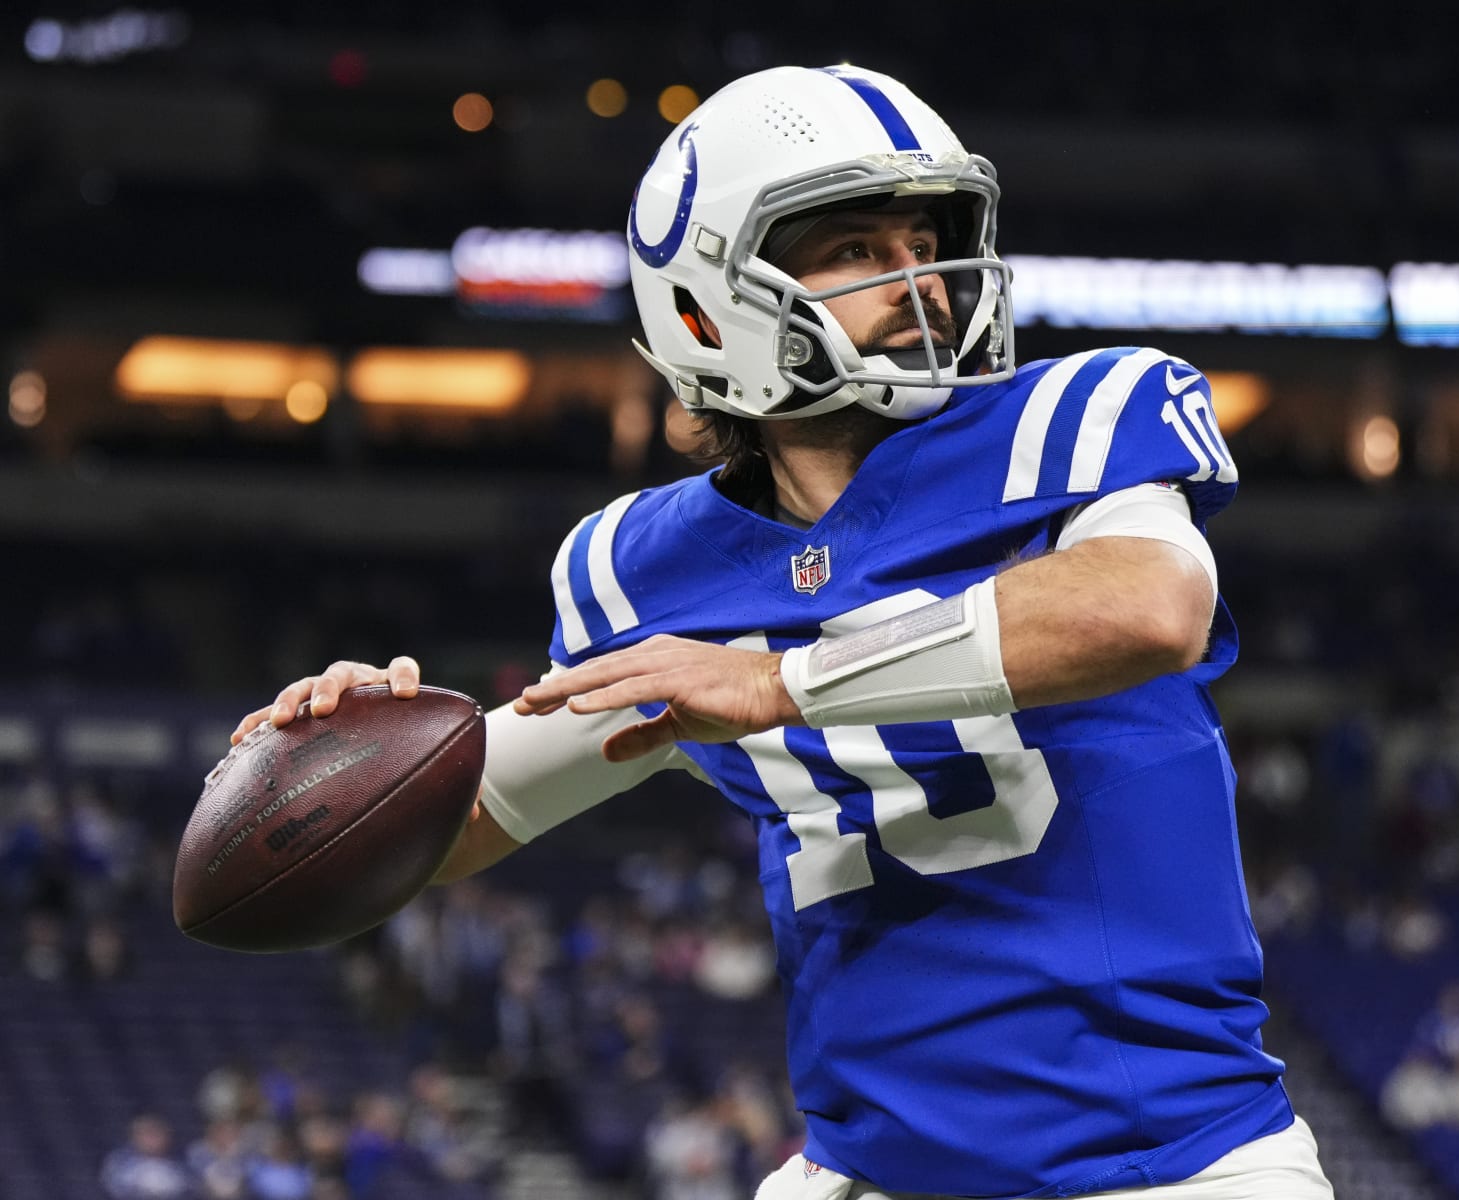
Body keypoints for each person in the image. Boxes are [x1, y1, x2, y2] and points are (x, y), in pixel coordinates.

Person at [232, 65, 1330, 1200]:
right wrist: (353, 755)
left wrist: (788, 682)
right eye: (856, 249)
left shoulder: (1075, 419)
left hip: (1175, 1170)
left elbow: (1146, 607)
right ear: (705, 308)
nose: (921, 280)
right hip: (869, 1172)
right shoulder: (645, 569)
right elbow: (457, 821)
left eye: (927, 238)